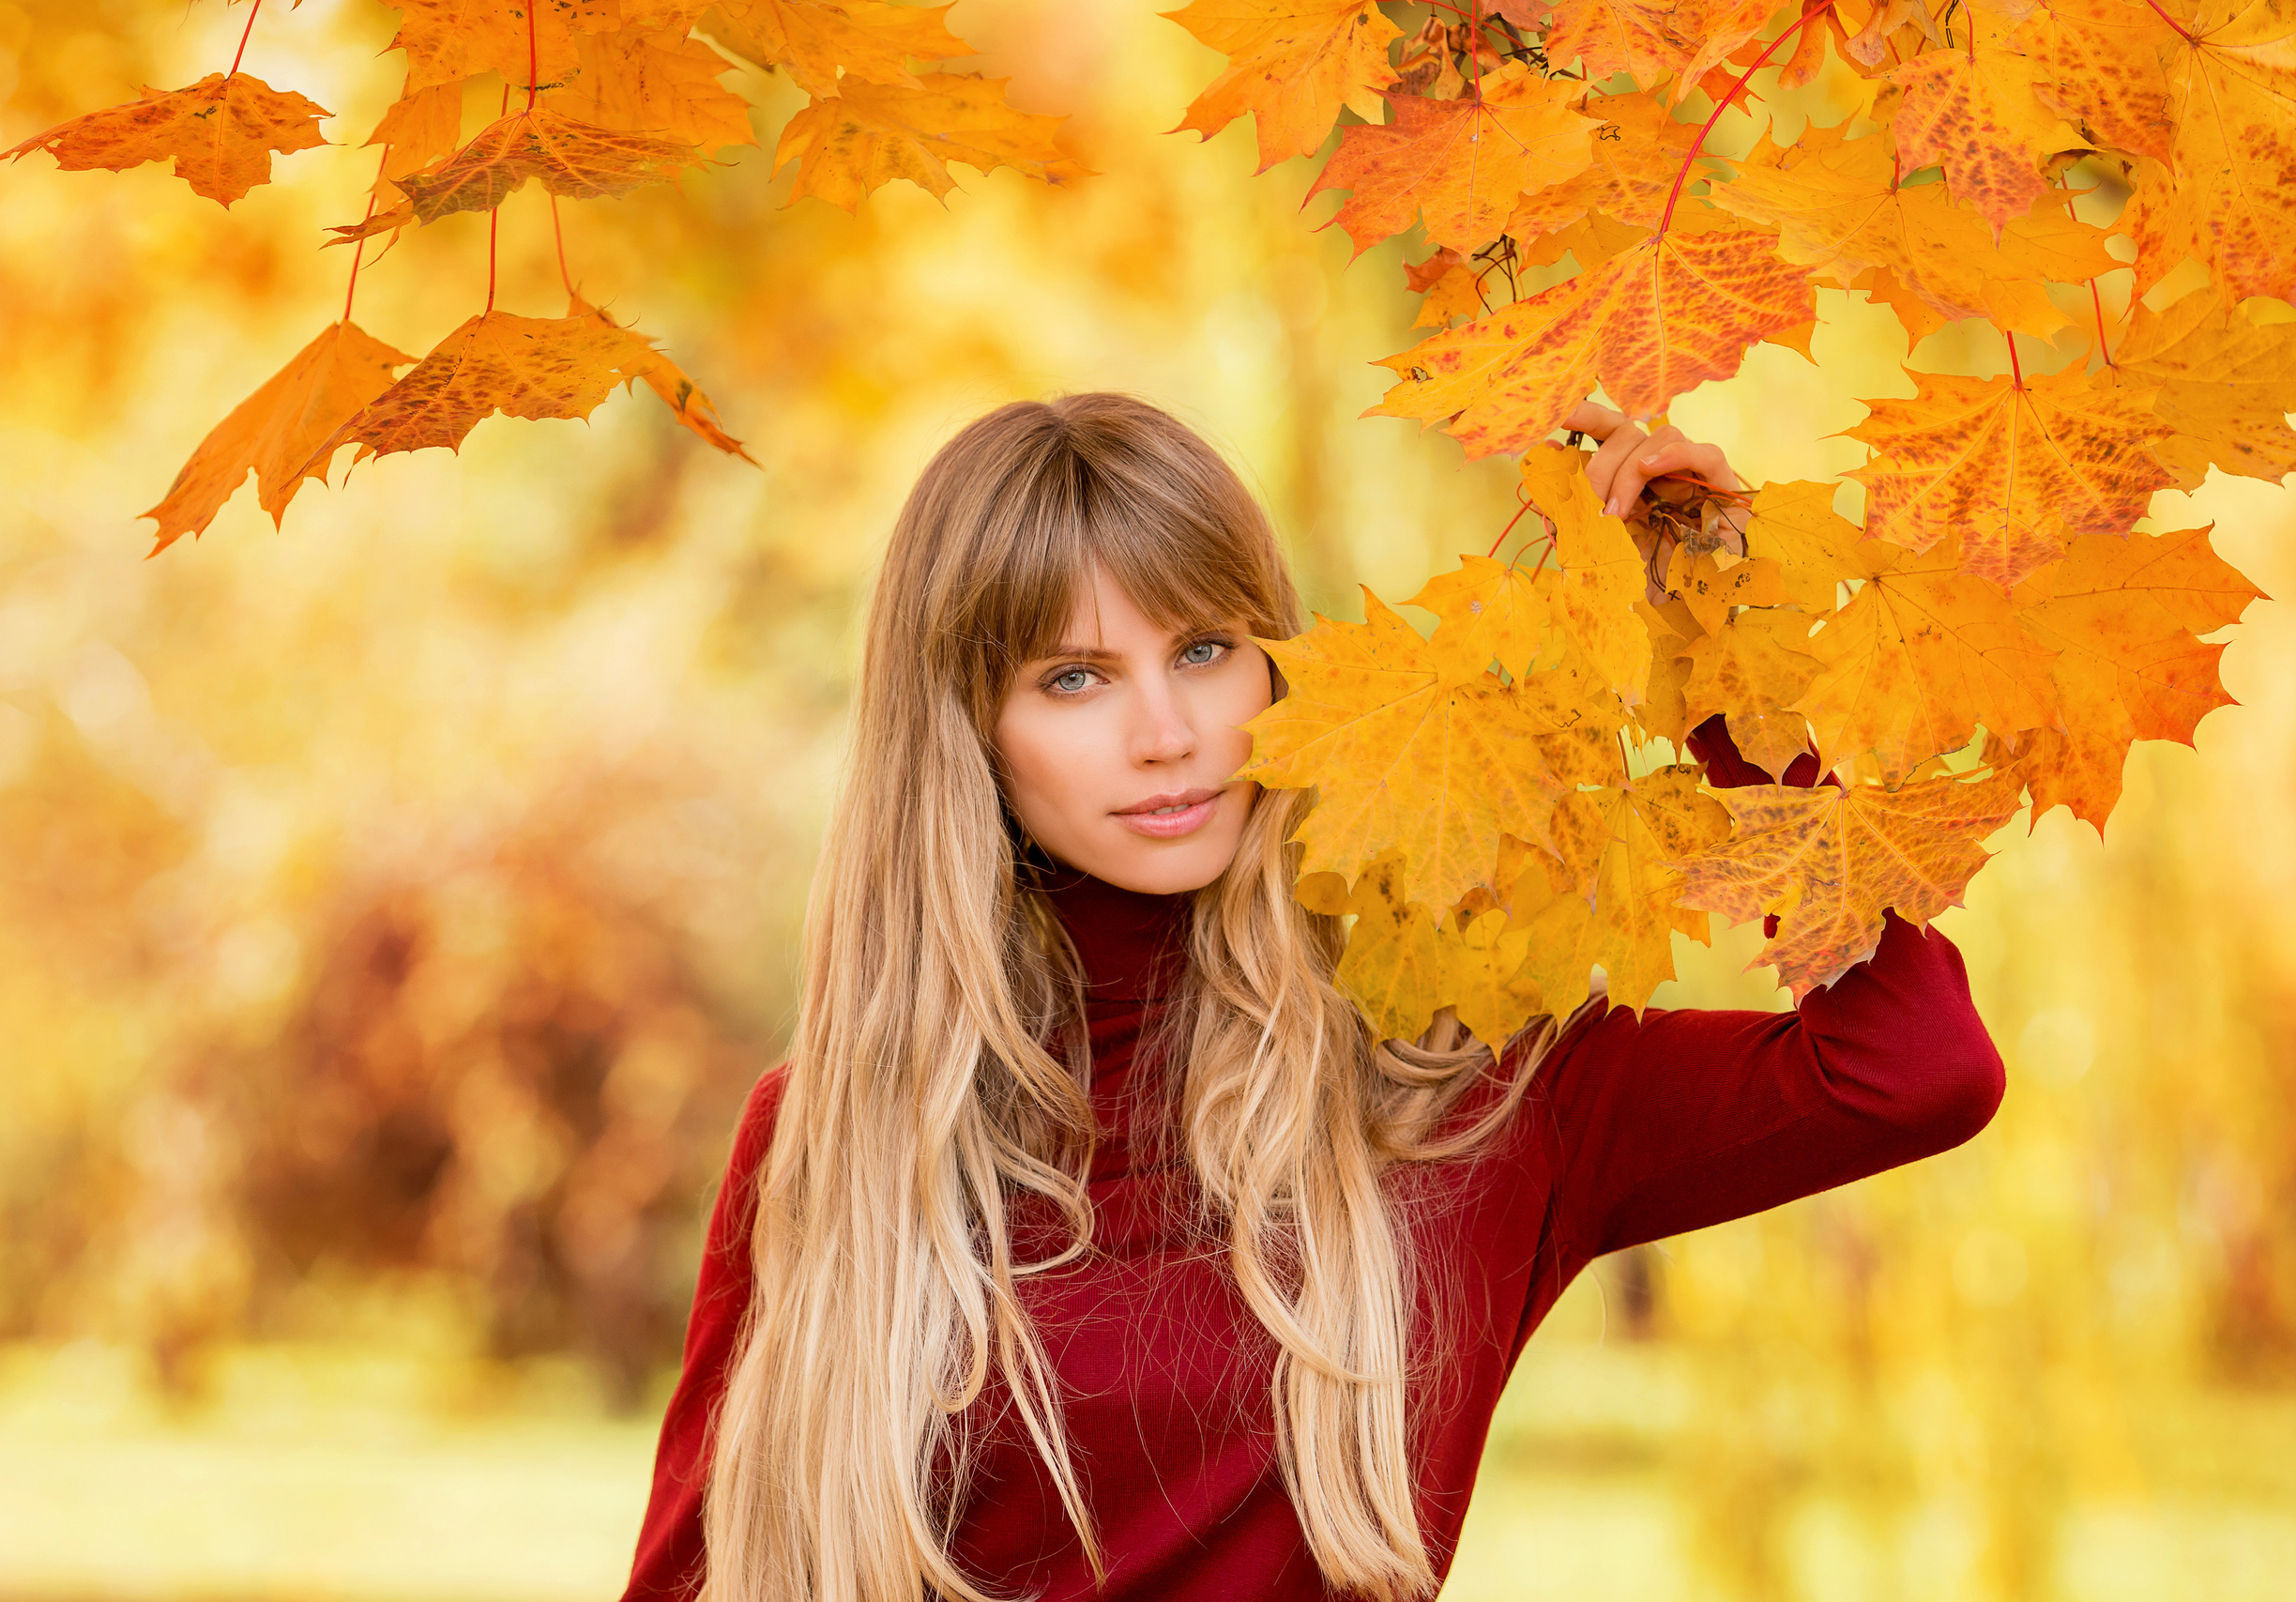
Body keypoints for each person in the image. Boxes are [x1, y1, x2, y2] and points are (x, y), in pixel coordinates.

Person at [620, 393, 2004, 1602]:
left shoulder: (1466, 1088)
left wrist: (1710, 652)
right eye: (1076, 677)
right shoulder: (836, 1136)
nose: (1164, 734)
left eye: (1206, 651)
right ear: (969, 731)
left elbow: (1912, 1067)